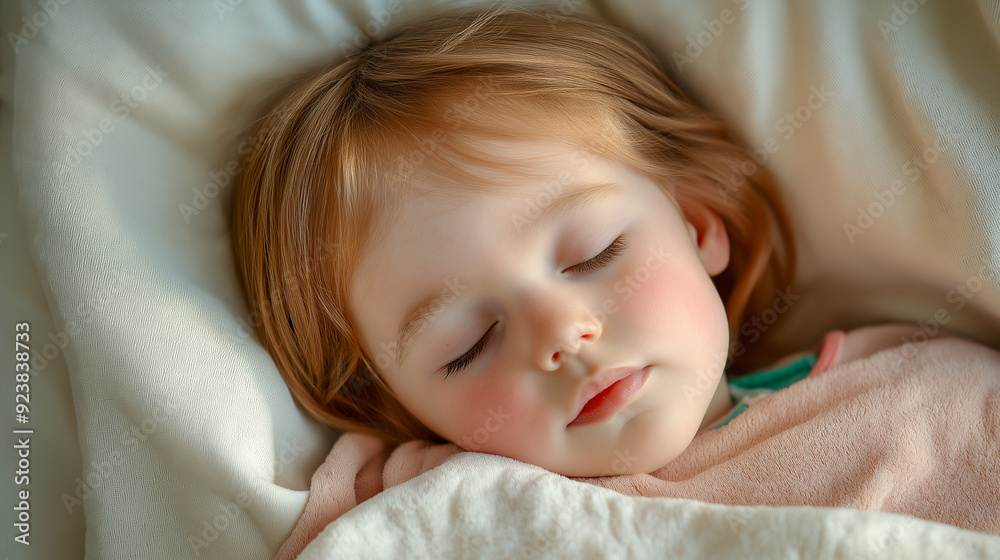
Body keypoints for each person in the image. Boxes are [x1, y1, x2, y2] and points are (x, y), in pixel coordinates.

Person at [231, 2, 802, 478]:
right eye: (469, 345)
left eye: (595, 252)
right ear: (392, 404)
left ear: (697, 225)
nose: (561, 334)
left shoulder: (880, 387)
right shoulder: (434, 514)